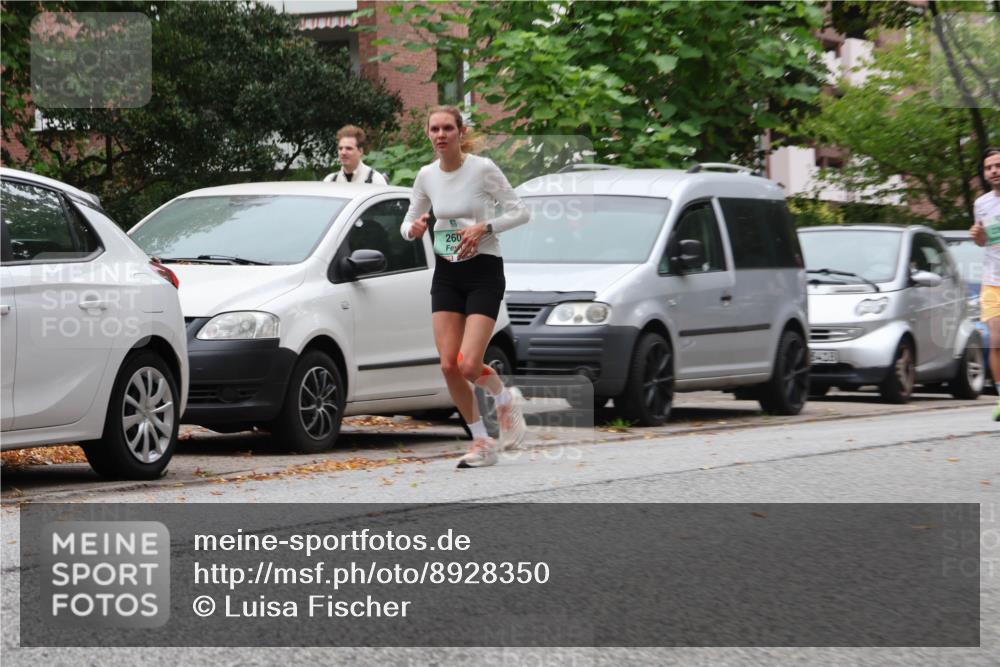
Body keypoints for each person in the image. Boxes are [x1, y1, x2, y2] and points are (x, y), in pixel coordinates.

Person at [400, 106, 530, 468]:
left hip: (484, 271)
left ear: (461, 132)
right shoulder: (426, 175)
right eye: (434, 129)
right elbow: (408, 221)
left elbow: (520, 211)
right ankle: (481, 442)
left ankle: (505, 399)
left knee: (469, 364)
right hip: (447, 272)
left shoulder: (482, 169)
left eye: (448, 128)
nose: (441, 135)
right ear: (428, 134)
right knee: (448, 366)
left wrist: (484, 227)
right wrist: (412, 230)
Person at [970, 147, 1000, 420]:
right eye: (989, 167)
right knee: (996, 340)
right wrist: (978, 235)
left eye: (998, 166)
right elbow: (983, 242)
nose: (994, 171)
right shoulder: (981, 204)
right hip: (992, 281)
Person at [323, 125, 388, 185]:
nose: (343, 152)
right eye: (340, 148)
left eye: (349, 148)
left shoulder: (376, 180)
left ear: (360, 151)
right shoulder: (330, 181)